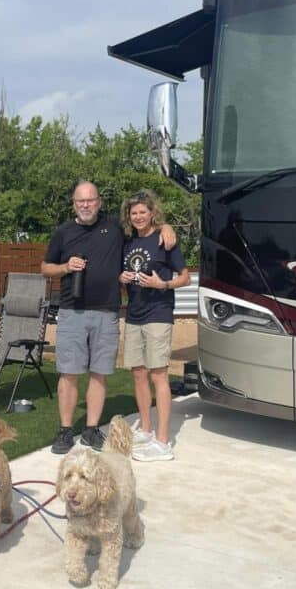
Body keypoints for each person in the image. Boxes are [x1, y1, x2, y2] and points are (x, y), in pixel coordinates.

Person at [42, 181, 175, 454]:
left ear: (99, 202)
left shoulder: (115, 227)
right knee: (69, 373)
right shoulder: (63, 232)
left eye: (90, 200)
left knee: (99, 373)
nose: (86, 205)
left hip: (107, 312)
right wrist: (66, 267)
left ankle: (91, 430)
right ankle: (66, 431)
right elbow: (45, 267)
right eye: (81, 201)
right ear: (74, 203)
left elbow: (144, 230)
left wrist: (166, 227)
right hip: (72, 311)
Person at [119, 189, 191, 461]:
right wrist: (121, 278)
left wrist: (164, 284)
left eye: (143, 212)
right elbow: (121, 275)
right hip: (134, 313)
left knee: (159, 374)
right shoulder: (127, 243)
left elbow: (185, 277)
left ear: (152, 213)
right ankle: (146, 431)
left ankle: (163, 442)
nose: (138, 216)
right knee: (138, 373)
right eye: (134, 212)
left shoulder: (164, 240)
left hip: (158, 312)